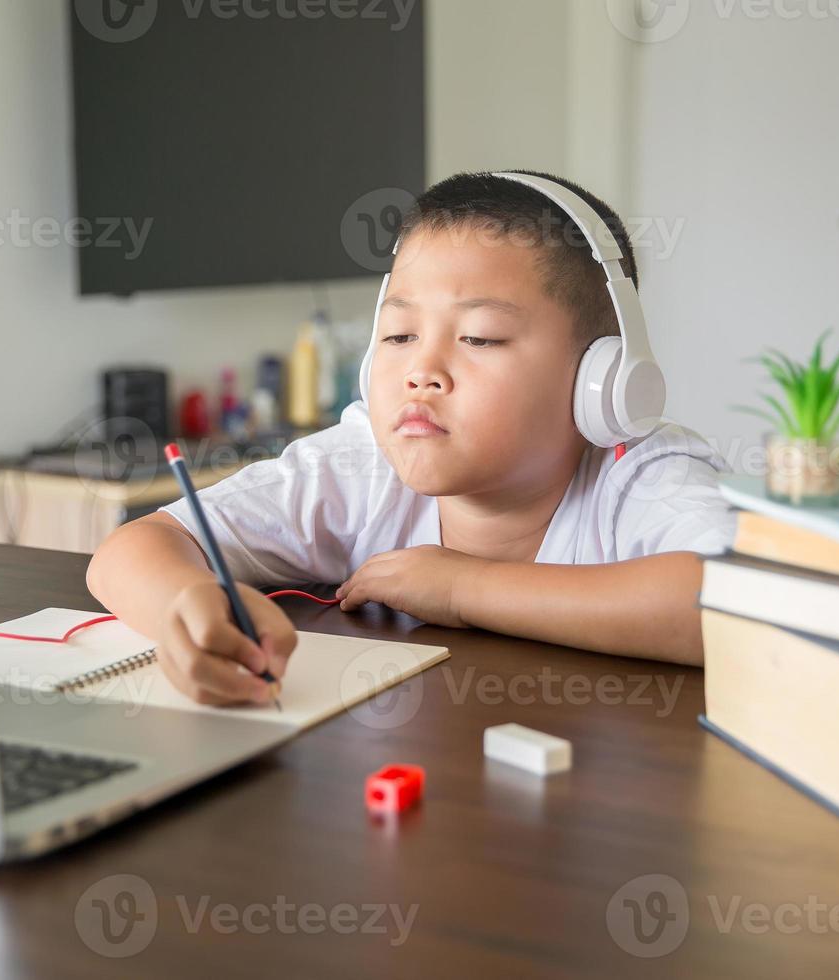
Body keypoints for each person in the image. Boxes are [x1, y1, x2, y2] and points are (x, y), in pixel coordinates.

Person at [87, 170, 736, 705]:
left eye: (479, 337)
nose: (421, 371)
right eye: (398, 337)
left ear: (604, 378)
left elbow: (730, 609)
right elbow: (132, 549)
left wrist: (463, 587)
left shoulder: (639, 471)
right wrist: (189, 606)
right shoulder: (365, 465)